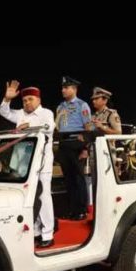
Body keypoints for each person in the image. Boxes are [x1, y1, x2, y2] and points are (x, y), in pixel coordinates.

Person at [0, 80, 56, 248]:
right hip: (23, 164)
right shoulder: (20, 114)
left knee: (43, 196)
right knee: (28, 197)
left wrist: (28, 126)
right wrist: (7, 99)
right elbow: (4, 112)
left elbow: (49, 127)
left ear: (38, 100)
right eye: (24, 100)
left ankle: (48, 233)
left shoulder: (46, 113)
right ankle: (36, 231)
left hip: (42, 162)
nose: (27, 103)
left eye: (30, 99)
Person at [55, 76, 92, 220]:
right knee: (68, 179)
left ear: (74, 89)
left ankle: (81, 210)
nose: (63, 90)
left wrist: (85, 148)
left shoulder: (82, 105)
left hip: (77, 143)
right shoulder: (60, 106)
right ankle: (72, 209)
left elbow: (88, 127)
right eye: (62, 88)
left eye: (66, 88)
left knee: (78, 178)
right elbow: (57, 126)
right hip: (64, 143)